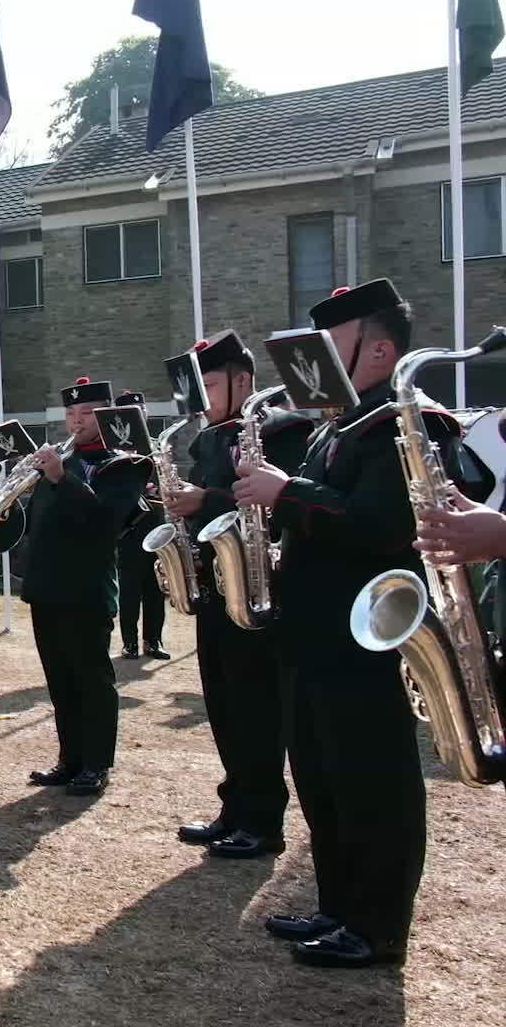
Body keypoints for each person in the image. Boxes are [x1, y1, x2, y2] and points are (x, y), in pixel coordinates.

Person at [234, 279, 461, 969]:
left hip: (366, 636)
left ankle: (378, 925)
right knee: (323, 778)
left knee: (372, 783)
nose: (312, 365)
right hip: (315, 631)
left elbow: (378, 522)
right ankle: (338, 906)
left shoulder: (404, 422)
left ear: (380, 350)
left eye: (330, 347)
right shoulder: (337, 426)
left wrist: (284, 491)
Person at [164, 330, 313, 860]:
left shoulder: (282, 428)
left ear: (243, 380)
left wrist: (205, 499)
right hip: (216, 585)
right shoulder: (208, 438)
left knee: (256, 710)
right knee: (224, 706)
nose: (201, 399)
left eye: (210, 385)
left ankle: (263, 820)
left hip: (256, 587)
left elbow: (280, 503)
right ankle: (235, 807)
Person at [21, 377, 150, 797]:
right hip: (46, 585)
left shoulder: (124, 464)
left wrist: (62, 479)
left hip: (86, 587)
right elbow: (37, 520)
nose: (77, 421)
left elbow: (105, 522)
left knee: (91, 679)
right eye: (71, 414)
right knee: (59, 678)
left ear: (107, 415)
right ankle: (70, 759)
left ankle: (96, 763)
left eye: (88, 413)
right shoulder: (56, 460)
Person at [113, 390, 169, 660]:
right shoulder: (116, 450)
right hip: (129, 528)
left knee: (155, 587)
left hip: (157, 524)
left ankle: (153, 641)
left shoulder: (158, 446)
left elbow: (169, 480)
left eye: (141, 411)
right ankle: (130, 642)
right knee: (130, 588)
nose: (139, 416)